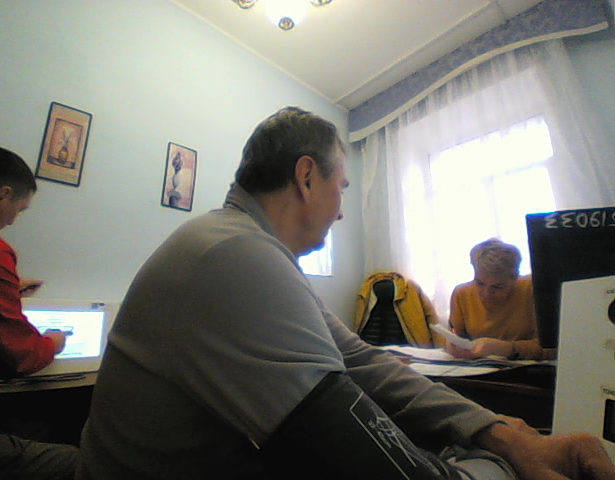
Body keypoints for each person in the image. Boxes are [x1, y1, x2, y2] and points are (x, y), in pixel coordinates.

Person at [77, 107, 615, 480]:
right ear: (307, 177)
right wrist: (503, 462)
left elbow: (360, 360)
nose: (340, 209)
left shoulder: (246, 248)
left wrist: (500, 432)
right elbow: (372, 456)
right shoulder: (237, 255)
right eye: (342, 188)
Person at [0, 145, 78, 479]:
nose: (12, 220)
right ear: (1, 195)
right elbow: (17, 358)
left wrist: (7, 288)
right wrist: (53, 342)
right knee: (73, 460)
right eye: (18, 210)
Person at [447, 238, 555, 360]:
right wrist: (453, 345)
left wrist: (507, 349)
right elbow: (457, 337)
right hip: (479, 367)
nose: (487, 294)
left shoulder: (533, 289)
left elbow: (553, 349)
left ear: (515, 277)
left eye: (498, 287)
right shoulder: (462, 293)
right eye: (480, 283)